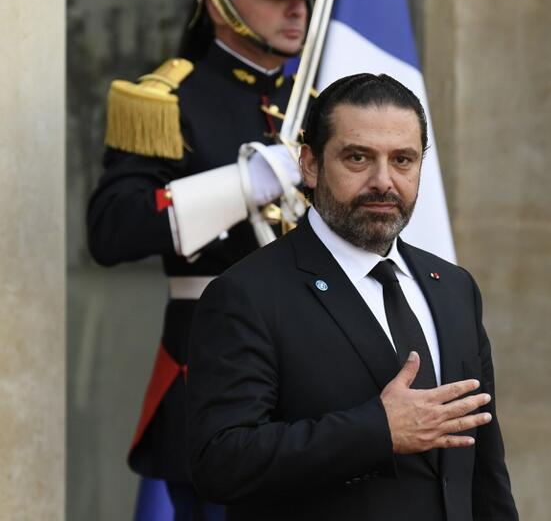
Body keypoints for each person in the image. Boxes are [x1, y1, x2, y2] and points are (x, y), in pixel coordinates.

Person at [187, 73, 519, 520]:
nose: (383, 181)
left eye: (403, 160)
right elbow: (222, 461)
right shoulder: (247, 294)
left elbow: (485, 469)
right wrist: (377, 431)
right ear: (310, 164)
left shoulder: (454, 287)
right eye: (358, 158)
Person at [86, 0, 316, 517]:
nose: (297, 8)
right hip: (215, 370)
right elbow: (112, 229)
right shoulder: (169, 101)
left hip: (320, 376)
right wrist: (240, 186)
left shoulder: (320, 104)